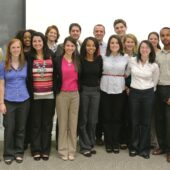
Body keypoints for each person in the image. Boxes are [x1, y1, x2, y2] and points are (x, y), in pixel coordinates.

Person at [127, 40, 159, 159]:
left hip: (148, 93)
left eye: (147, 48)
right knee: (135, 121)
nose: (144, 49)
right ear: (139, 49)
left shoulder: (154, 65)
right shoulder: (132, 61)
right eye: (142, 47)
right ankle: (134, 147)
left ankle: (144, 149)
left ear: (150, 50)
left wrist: (149, 91)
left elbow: (155, 81)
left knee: (146, 122)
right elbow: (127, 74)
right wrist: (128, 87)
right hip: (134, 93)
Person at [0, 38, 30, 164]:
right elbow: (1, 85)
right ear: (9, 50)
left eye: (18, 47)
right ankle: (8, 153)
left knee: (21, 127)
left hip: (24, 99)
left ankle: (18, 152)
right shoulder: (3, 65)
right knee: (9, 127)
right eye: (13, 47)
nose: (16, 49)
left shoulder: (25, 64)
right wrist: (1, 103)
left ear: (21, 49)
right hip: (9, 100)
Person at [27, 32, 56, 161]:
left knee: (47, 124)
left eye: (39, 41)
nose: (37, 43)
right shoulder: (29, 57)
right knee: (36, 124)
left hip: (49, 95)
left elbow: (57, 74)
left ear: (43, 42)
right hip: (35, 96)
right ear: (32, 43)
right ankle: (36, 149)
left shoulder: (51, 55)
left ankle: (45, 149)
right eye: (34, 41)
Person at [100, 35, 128, 153]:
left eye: (117, 43)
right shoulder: (103, 57)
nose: (114, 45)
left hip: (119, 89)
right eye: (112, 43)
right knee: (107, 117)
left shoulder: (125, 57)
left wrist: (125, 83)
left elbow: (128, 72)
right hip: (105, 87)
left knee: (117, 117)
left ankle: (115, 142)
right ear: (109, 45)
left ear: (120, 45)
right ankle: (108, 142)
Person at [55, 36, 80, 161]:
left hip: (75, 95)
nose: (70, 48)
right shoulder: (58, 60)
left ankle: (72, 150)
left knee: (73, 124)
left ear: (75, 48)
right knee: (63, 123)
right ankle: (63, 150)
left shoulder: (77, 60)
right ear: (64, 46)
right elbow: (55, 77)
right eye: (68, 45)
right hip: (62, 95)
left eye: (72, 46)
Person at [78, 37, 103, 157]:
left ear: (96, 48)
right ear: (84, 47)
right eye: (88, 45)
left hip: (96, 92)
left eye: (93, 45)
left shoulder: (99, 59)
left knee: (93, 120)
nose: (91, 48)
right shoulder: (80, 59)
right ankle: (84, 146)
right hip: (84, 91)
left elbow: (99, 74)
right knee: (83, 120)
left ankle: (90, 143)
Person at [152, 27, 170, 163]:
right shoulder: (158, 54)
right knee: (159, 120)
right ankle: (162, 147)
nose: (165, 38)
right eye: (162, 35)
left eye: (168, 35)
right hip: (158, 89)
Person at [119, 34, 138, 150]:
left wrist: (131, 86)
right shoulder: (121, 56)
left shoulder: (138, 56)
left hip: (135, 89)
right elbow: (120, 73)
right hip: (122, 88)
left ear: (135, 43)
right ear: (124, 43)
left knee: (132, 116)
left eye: (132, 42)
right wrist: (126, 86)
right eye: (127, 42)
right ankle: (122, 140)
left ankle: (132, 140)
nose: (129, 44)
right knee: (122, 115)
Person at [93, 24, 107, 145]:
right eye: (96, 31)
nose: (99, 33)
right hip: (92, 82)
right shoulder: (89, 45)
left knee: (102, 110)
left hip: (104, 82)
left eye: (101, 31)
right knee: (93, 111)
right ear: (93, 32)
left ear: (104, 33)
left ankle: (100, 135)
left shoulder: (108, 47)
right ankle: (93, 135)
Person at [148, 31, 161, 149]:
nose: (153, 40)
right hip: (147, 88)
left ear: (158, 40)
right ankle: (150, 140)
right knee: (149, 115)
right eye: (150, 39)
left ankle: (156, 141)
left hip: (160, 87)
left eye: (155, 38)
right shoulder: (145, 53)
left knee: (158, 116)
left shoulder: (161, 53)